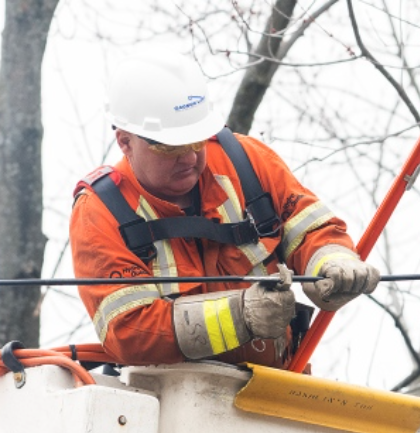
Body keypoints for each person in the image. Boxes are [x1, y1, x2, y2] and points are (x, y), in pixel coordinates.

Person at [70, 52, 379, 368]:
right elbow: (129, 332)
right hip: (169, 401)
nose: (190, 158)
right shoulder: (101, 212)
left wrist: (331, 262)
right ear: (124, 142)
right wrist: (241, 315)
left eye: (196, 141)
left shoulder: (245, 163)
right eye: (171, 147)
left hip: (273, 387)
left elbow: (308, 227)